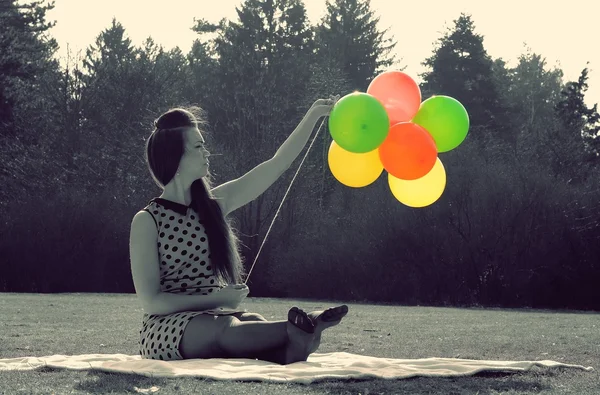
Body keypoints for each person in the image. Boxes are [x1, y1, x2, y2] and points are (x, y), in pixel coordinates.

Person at [129, 99, 348, 364]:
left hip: (215, 314)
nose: (207, 153)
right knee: (225, 330)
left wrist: (312, 116)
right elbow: (152, 302)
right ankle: (300, 328)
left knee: (252, 321)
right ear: (175, 158)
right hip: (165, 329)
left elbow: (276, 164)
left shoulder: (214, 204)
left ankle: (301, 335)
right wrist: (217, 298)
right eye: (198, 147)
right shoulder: (147, 220)